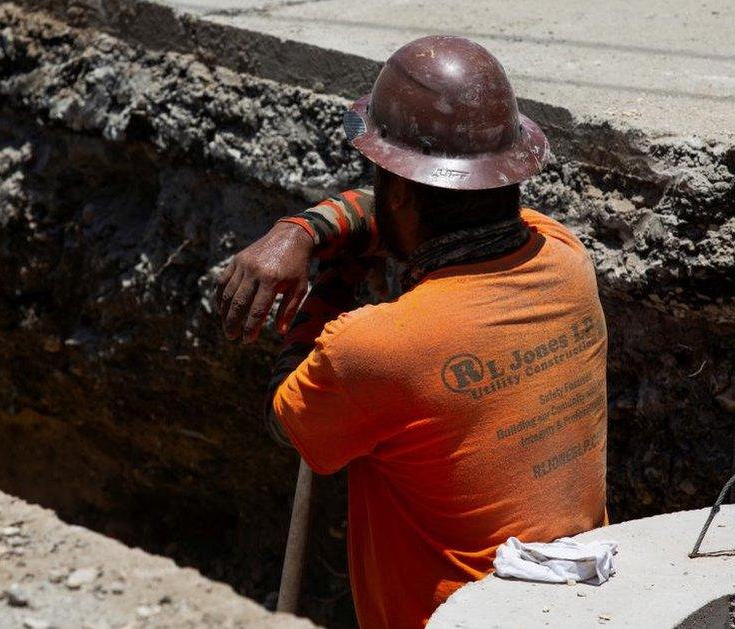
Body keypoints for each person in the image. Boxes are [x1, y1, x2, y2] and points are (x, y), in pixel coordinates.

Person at [215, 36, 608, 628]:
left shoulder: (376, 348)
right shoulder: (562, 255)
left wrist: (335, 273)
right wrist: (306, 230)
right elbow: (423, 216)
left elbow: (287, 418)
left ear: (397, 190)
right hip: (579, 607)